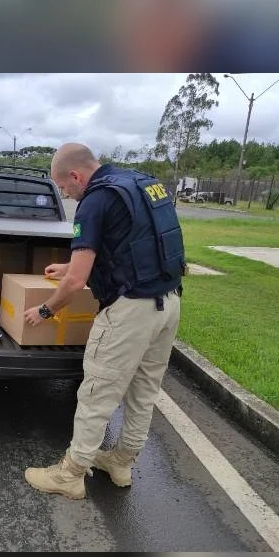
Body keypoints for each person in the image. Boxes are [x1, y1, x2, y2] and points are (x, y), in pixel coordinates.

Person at [22, 143, 185, 499]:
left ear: (76, 175)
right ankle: (121, 462)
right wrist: (69, 265)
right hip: (168, 304)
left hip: (130, 312)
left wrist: (44, 310)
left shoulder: (95, 200)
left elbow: (75, 283)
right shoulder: (142, 183)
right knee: (144, 392)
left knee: (97, 392)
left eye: (64, 187)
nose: (65, 193)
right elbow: (132, 244)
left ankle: (71, 473)